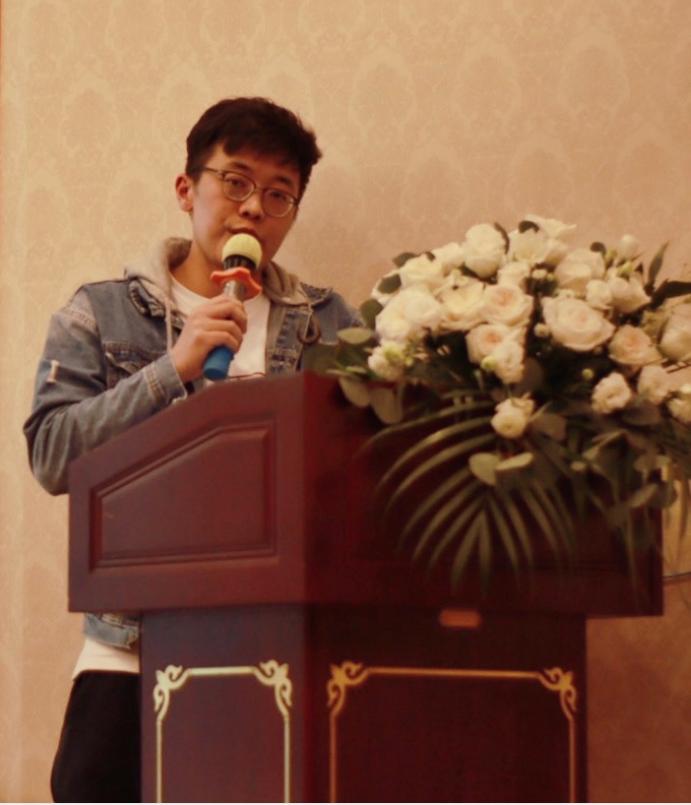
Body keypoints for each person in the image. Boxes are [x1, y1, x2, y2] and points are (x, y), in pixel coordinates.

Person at [23, 96, 360, 802]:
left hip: (281, 639)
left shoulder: (330, 324)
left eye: (278, 195)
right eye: (235, 183)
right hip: (133, 640)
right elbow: (53, 455)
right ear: (186, 189)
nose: (253, 209)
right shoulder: (103, 311)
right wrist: (172, 369)